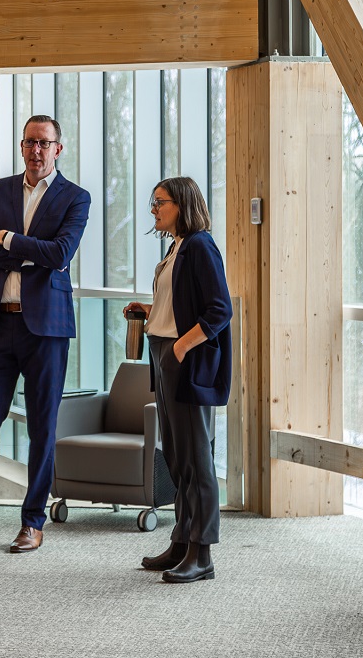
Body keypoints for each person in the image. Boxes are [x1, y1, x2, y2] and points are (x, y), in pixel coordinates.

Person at [0, 115, 91, 554]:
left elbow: (61, 253)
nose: (36, 150)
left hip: (46, 329)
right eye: (29, 142)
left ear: (58, 149)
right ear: (21, 146)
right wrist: (27, 250)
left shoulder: (75, 197)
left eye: (44, 143)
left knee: (42, 427)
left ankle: (33, 522)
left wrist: (7, 240)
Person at [123, 176, 231, 583]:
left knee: (196, 460)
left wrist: (183, 347)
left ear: (182, 204)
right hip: (163, 355)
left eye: (160, 202)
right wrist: (150, 310)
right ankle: (182, 541)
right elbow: (181, 303)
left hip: (182, 360)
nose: (154, 209)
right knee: (177, 458)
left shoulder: (201, 245)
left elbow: (219, 310)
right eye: (153, 203)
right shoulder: (177, 247)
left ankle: (202, 554)